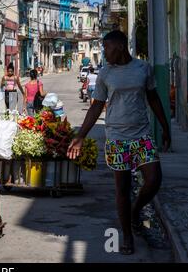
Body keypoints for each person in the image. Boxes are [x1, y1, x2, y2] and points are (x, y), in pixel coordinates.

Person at [67, 30, 171, 255]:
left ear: (120, 47)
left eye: (107, 48)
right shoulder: (105, 74)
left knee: (154, 179)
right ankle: (126, 234)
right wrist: (80, 136)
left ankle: (136, 210)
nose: (105, 53)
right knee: (122, 188)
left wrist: (165, 127)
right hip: (116, 138)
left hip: (142, 135)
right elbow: (96, 105)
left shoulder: (143, 69)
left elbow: (153, 98)